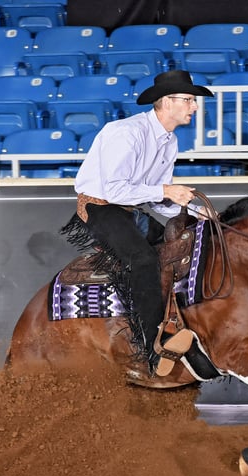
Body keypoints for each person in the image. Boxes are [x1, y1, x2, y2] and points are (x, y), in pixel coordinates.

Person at [63, 70, 213, 375]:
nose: (194, 107)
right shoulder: (126, 132)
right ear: (166, 102)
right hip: (99, 209)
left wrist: (197, 213)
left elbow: (156, 199)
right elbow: (115, 189)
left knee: (183, 246)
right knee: (143, 260)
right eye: (188, 100)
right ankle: (151, 348)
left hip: (129, 210)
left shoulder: (169, 142)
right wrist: (165, 190)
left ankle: (187, 332)